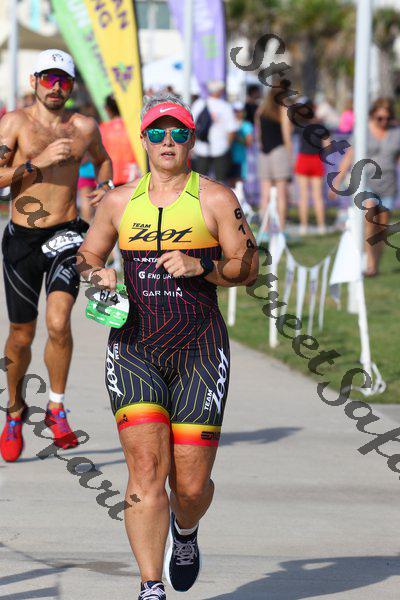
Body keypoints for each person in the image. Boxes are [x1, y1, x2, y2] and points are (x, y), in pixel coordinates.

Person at [77, 93, 258, 599]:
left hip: (200, 349)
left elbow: (249, 266)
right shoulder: (119, 202)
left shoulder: (216, 199)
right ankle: (149, 585)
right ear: (144, 140)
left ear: (192, 139)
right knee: (145, 473)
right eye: (157, 133)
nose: (168, 141)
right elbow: (88, 254)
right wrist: (97, 273)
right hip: (134, 347)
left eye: (178, 132)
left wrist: (205, 266)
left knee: (191, 487)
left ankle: (186, 529)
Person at [0, 49, 113, 462]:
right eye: (49, 79)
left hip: (66, 235)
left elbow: (104, 161)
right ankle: (15, 410)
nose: (56, 87)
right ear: (34, 81)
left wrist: (105, 186)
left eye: (63, 80)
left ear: (72, 86)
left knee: (59, 322)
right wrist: (37, 162)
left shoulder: (83, 127)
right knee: (21, 335)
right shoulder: (15, 123)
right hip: (22, 240)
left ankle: (56, 408)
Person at [330, 97, 400, 276]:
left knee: (382, 227)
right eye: (379, 118)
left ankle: (375, 263)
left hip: (388, 183)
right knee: (369, 221)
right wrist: (337, 182)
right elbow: (349, 156)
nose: (383, 122)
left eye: (387, 118)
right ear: (373, 115)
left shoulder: (396, 133)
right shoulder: (363, 131)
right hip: (367, 181)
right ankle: (369, 263)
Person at [255, 87, 293, 231]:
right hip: (279, 151)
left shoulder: (261, 111)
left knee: (265, 194)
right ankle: (281, 226)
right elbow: (286, 135)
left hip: (264, 153)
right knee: (281, 193)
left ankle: (265, 228)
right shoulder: (283, 110)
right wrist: (290, 156)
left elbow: (259, 136)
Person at [294, 97, 330, 235]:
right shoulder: (321, 126)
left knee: (303, 196)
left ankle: (304, 226)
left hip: (303, 159)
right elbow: (328, 145)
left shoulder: (300, 125)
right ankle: (321, 226)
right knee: (318, 196)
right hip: (316, 160)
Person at [191, 80, 238, 183]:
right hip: (221, 147)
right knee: (220, 182)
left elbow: (191, 126)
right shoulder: (225, 106)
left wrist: (192, 147)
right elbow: (231, 130)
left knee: (200, 182)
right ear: (220, 91)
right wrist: (227, 146)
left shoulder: (198, 104)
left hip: (201, 147)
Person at [230, 101, 254, 184]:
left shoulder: (247, 125)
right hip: (228, 158)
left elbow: (249, 143)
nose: (238, 113)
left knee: (239, 182)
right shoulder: (229, 124)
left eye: (240, 111)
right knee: (230, 182)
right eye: (236, 111)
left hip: (241, 160)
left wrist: (236, 136)